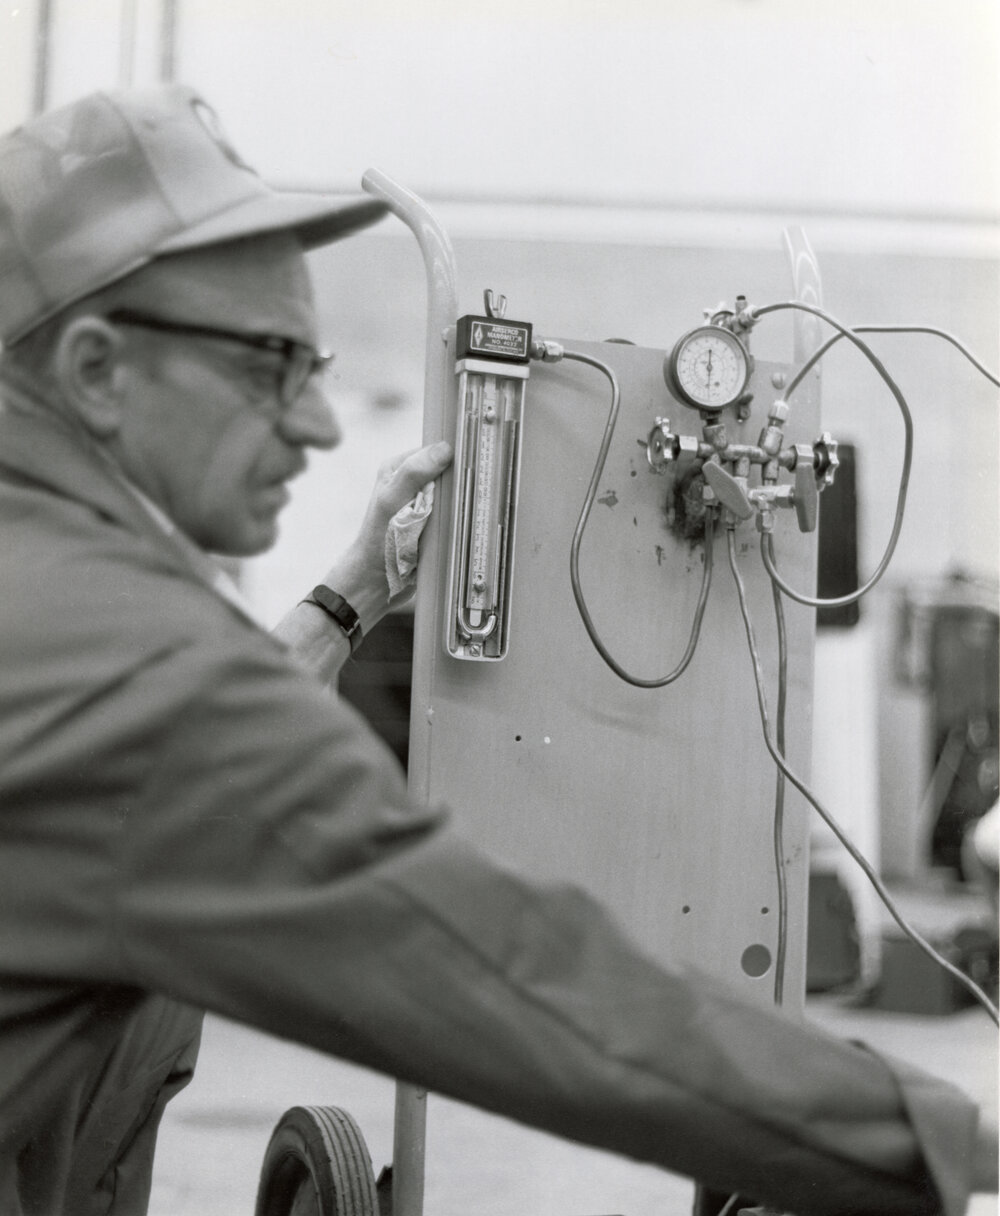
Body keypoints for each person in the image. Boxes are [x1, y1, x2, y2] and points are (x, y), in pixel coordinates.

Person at [0, 83, 994, 1216]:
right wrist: (951, 1148)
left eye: (316, 368)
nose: (318, 423)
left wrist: (353, 592)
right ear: (95, 368)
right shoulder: (125, 658)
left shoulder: (56, 599)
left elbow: (154, 781)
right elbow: (502, 979)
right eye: (269, 363)